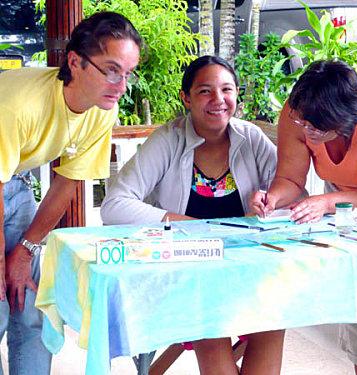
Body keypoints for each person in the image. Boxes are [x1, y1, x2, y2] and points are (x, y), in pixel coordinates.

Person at [100, 55, 283, 375]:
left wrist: (272, 199)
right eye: (204, 91)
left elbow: (292, 190)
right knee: (208, 316)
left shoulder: (251, 138)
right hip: (186, 276)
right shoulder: (168, 140)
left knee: (276, 314)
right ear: (186, 97)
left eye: (227, 90)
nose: (218, 100)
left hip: (246, 270)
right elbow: (114, 205)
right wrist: (188, 224)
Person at [0, 12, 142, 375]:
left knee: (31, 302)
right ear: (75, 62)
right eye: (112, 70)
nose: (121, 85)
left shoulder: (101, 111)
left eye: (128, 73)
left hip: (13, 186)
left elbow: (68, 180)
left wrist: (25, 250)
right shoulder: (18, 104)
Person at [250, 60, 357, 375]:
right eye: (303, 124)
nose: (307, 131)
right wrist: (272, 198)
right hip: (340, 196)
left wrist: (324, 202)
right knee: (353, 287)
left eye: (316, 128)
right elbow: (291, 180)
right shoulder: (300, 111)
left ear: (345, 121)